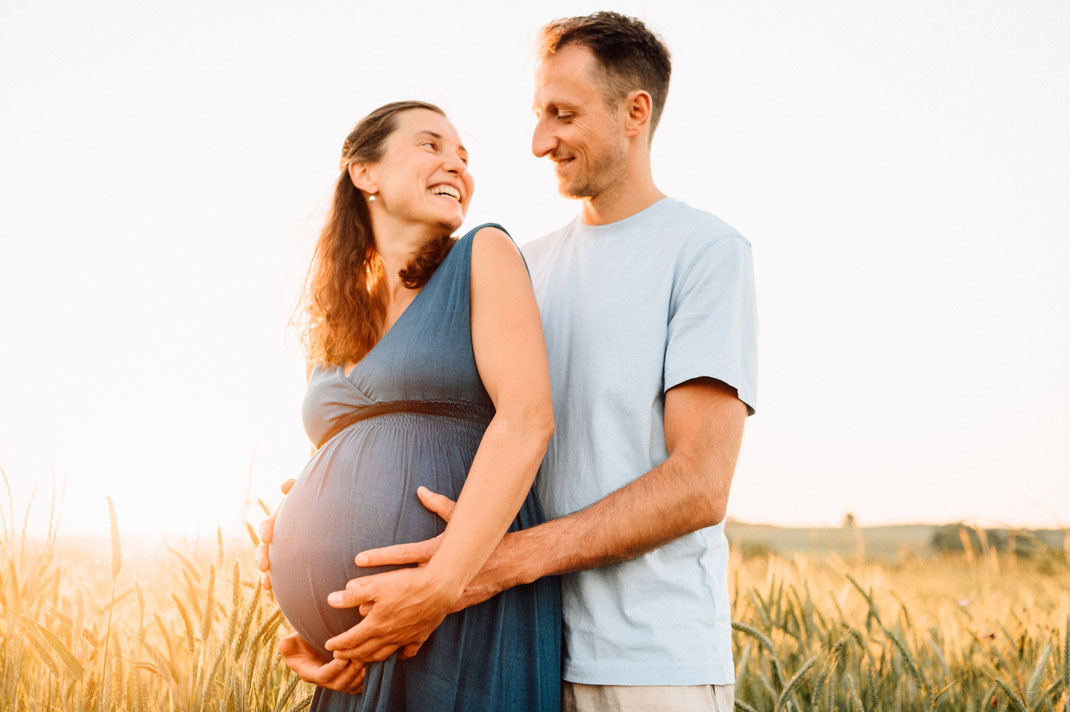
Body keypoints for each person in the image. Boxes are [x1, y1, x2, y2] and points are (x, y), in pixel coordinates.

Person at [261, 12, 758, 712]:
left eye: (561, 115)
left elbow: (701, 484)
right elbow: (435, 426)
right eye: (536, 115)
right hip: (511, 627)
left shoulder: (704, 252)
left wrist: (488, 567)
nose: (537, 141)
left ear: (634, 112)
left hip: (644, 652)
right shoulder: (526, 265)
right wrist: (309, 523)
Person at [262, 99, 561, 711]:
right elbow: (344, 460)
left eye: (464, 157)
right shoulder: (335, 317)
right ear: (364, 172)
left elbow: (528, 421)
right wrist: (296, 545)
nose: (456, 164)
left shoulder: (483, 254)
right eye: (431, 145)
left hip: (456, 611)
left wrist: (439, 587)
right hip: (353, 650)